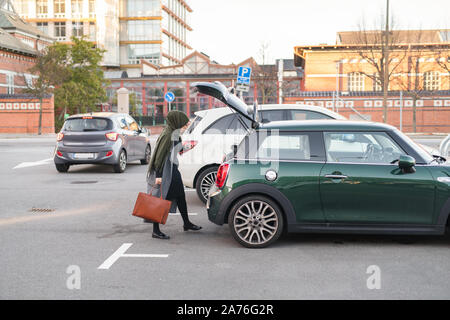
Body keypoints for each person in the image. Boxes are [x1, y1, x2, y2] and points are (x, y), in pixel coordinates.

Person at [146, 110, 202, 240]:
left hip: (172, 169)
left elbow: (178, 150)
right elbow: (159, 157)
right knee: (161, 198)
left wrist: (189, 146)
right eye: (182, 123)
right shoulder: (168, 135)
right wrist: (159, 176)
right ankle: (155, 230)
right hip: (165, 171)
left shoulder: (174, 133)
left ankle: (187, 223)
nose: (184, 125)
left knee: (180, 196)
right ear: (176, 121)